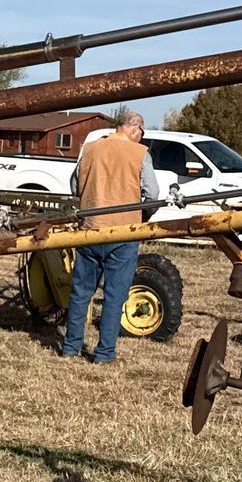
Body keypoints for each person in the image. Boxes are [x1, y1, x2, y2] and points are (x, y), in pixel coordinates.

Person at [62, 112, 158, 363]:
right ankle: (104, 353)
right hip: (123, 235)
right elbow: (153, 194)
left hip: (90, 231)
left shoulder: (90, 149)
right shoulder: (140, 154)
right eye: (141, 134)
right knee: (114, 297)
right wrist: (142, 215)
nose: (141, 138)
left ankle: (70, 347)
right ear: (135, 128)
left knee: (81, 293)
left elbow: (74, 186)